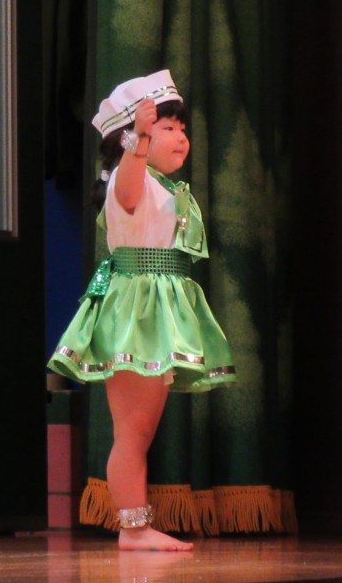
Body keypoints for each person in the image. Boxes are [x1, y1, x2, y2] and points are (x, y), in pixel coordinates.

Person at [48, 70, 236, 552]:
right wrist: (140, 139)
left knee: (141, 429)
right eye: (167, 128)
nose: (180, 137)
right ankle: (133, 529)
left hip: (157, 310)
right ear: (129, 138)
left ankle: (135, 527)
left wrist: (146, 137)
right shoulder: (127, 179)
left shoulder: (162, 185)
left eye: (181, 128)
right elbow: (129, 192)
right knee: (131, 430)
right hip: (136, 311)